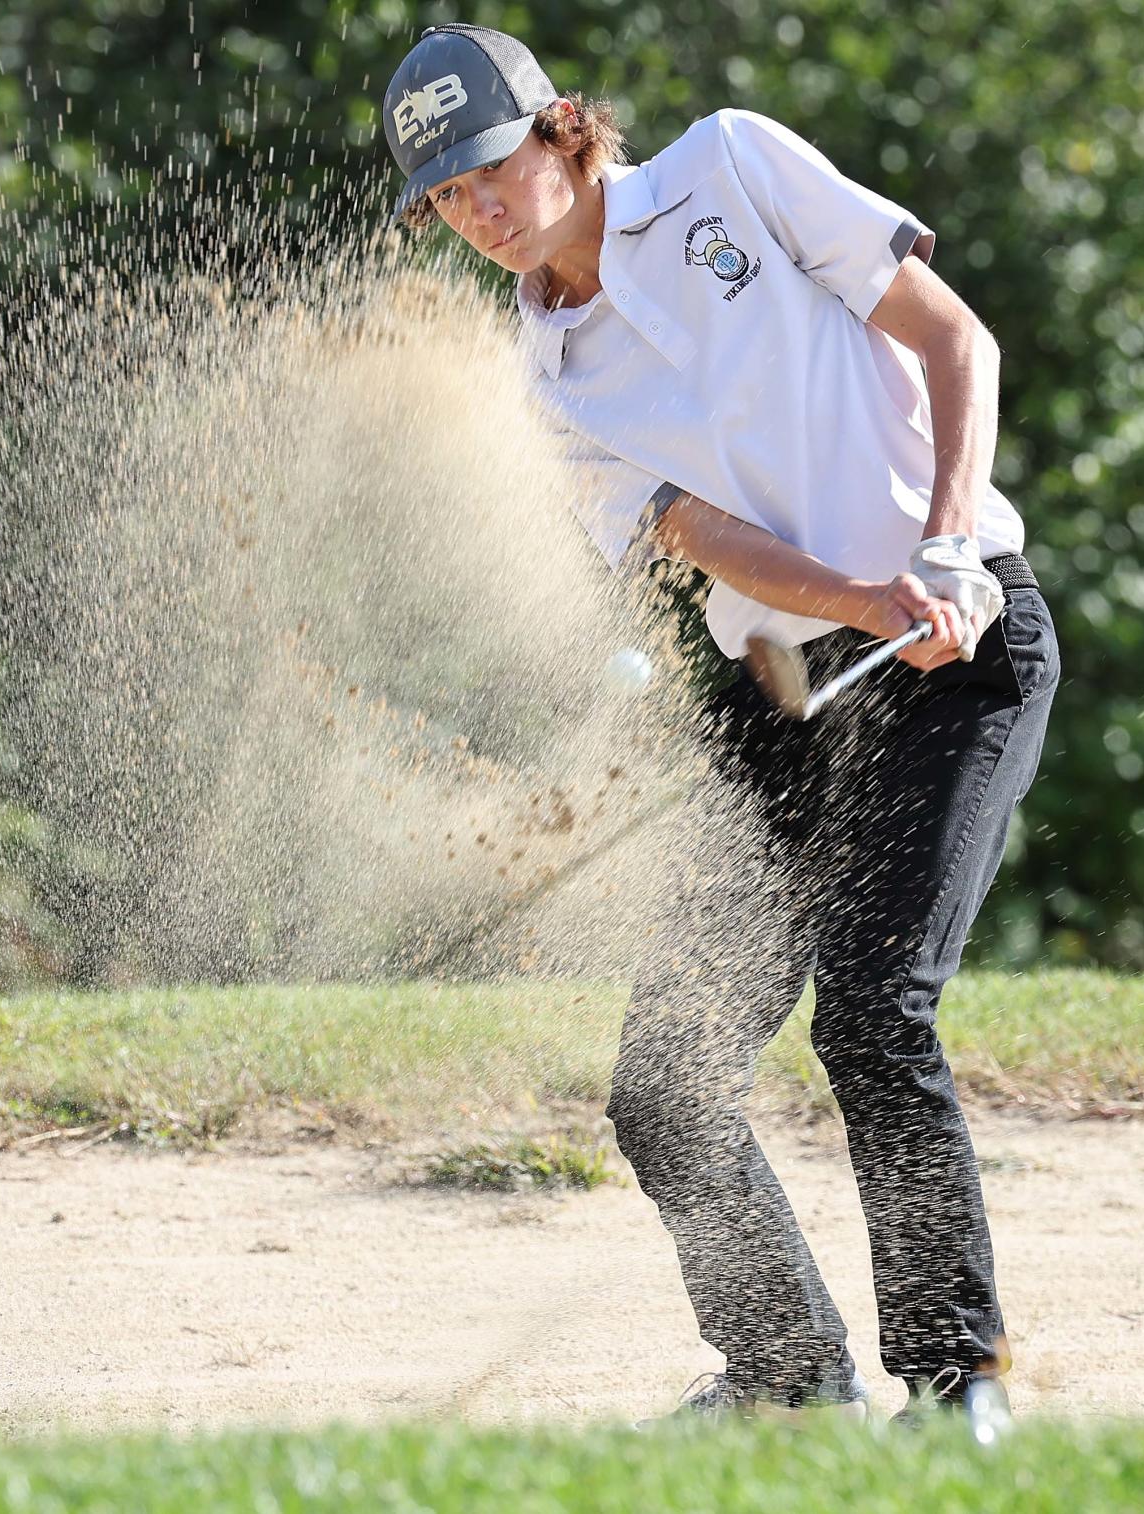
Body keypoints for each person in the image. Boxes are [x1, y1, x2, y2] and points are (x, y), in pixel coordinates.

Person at [382, 22, 1059, 1421]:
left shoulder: (731, 168)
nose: (482, 211)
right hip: (786, 699)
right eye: (448, 197)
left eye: (493, 167)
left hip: (963, 642)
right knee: (663, 1089)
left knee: (874, 1014)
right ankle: (788, 1377)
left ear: (561, 132)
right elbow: (706, 538)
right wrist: (862, 597)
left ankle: (955, 1382)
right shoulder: (551, 380)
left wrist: (934, 556)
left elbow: (953, 338)